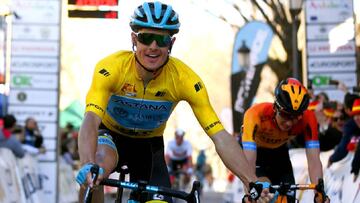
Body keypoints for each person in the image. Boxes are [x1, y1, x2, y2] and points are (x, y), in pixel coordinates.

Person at [75, 2, 268, 203]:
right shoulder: (112, 68)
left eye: (161, 40)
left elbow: (219, 135)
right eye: (146, 38)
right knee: (96, 170)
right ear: (134, 39)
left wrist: (251, 180)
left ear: (171, 44)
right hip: (111, 137)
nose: (153, 47)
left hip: (149, 147)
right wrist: (87, 163)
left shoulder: (184, 79)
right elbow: (90, 120)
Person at [241, 78, 330, 203]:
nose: (289, 122)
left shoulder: (308, 118)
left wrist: (320, 193)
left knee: (288, 199)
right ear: (275, 107)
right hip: (256, 154)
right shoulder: (255, 115)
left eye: (295, 117)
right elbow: (248, 163)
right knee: (263, 192)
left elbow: (314, 160)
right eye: (285, 115)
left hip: (280, 153)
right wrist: (249, 193)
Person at [328, 98, 360, 181]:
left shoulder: (350, 126)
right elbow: (343, 146)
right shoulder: (350, 126)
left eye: (359, 114)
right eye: (355, 115)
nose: (357, 118)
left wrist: (355, 167)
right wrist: (332, 159)